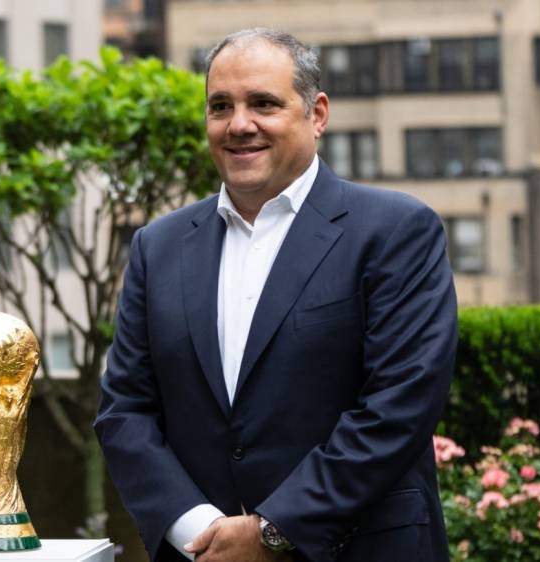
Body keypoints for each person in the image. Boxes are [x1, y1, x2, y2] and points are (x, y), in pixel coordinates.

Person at [94, 28, 456, 562]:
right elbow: (125, 411)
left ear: (318, 114)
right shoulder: (158, 247)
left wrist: (272, 530)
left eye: (263, 103)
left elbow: (399, 404)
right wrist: (201, 532)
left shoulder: (396, 231)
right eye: (221, 106)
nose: (239, 124)